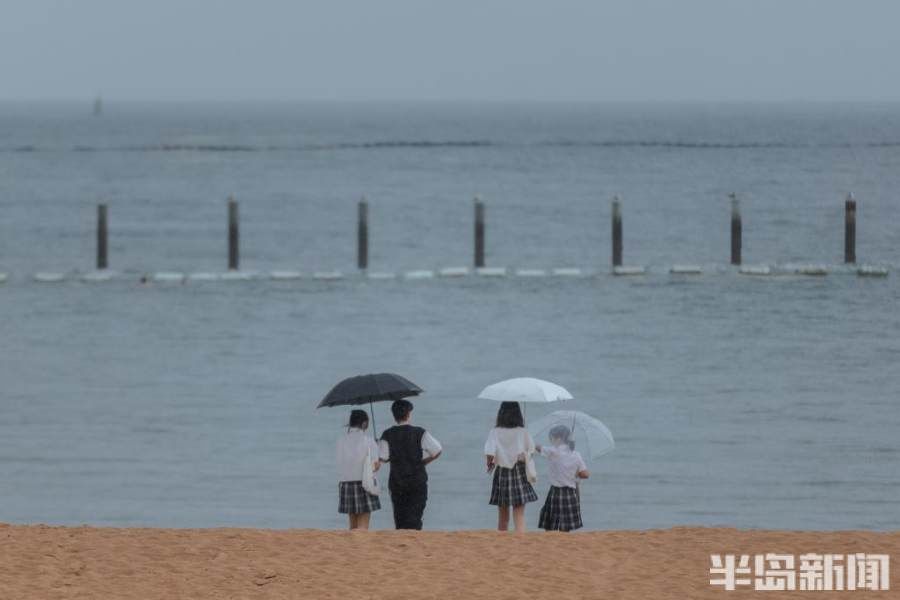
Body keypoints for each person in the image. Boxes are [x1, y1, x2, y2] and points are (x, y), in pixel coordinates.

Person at [378, 399, 442, 530]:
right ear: (408, 414)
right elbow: (437, 450)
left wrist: (377, 445)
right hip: (417, 480)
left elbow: (383, 458)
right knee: (415, 517)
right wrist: (424, 462)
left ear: (394, 416)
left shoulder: (387, 434)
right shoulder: (419, 432)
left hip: (397, 481)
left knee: (400, 518)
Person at [484, 401, 538, 532]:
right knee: (519, 514)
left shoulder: (494, 432)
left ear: (500, 414)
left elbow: (489, 454)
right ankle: (520, 543)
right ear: (518, 414)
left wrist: (490, 463)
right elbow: (531, 451)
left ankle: (502, 543)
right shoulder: (523, 431)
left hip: (502, 473)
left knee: (503, 516)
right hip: (519, 472)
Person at [535, 424, 589, 532]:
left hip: (555, 492)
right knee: (566, 526)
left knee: (550, 525)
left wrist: (526, 439)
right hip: (570, 493)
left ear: (559, 438)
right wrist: (575, 473)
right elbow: (586, 474)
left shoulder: (553, 451)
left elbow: (538, 447)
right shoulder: (576, 454)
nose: (551, 441)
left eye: (552, 438)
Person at [336, 409, 381, 530]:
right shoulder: (369, 441)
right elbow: (375, 466)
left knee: (352, 525)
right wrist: (377, 448)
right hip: (364, 484)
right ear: (364, 423)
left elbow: (341, 462)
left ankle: (351, 548)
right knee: (363, 525)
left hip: (346, 485)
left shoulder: (341, 441)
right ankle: (362, 548)